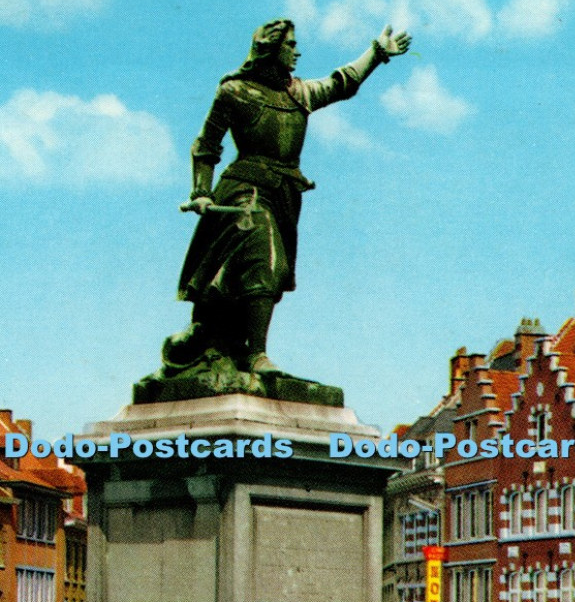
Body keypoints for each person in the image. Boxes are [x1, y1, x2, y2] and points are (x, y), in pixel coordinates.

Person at [164, 19, 412, 378]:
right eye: (290, 44)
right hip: (244, 192)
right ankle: (257, 355)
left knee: (264, 277)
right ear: (270, 48)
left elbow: (340, 83)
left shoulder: (299, 93)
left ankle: (221, 339)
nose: (297, 51)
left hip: (284, 195)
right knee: (268, 261)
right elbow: (206, 145)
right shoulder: (235, 91)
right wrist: (201, 190)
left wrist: (376, 54)